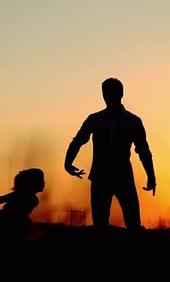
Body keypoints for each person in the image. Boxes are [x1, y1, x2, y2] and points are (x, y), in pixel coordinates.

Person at [64, 77, 157, 235]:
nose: (109, 96)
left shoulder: (133, 121)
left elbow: (143, 150)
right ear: (103, 94)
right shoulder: (95, 119)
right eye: (106, 93)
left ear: (121, 93)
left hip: (123, 177)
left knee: (133, 223)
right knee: (100, 225)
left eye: (112, 92)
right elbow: (78, 141)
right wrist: (68, 163)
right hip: (101, 177)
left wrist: (151, 176)